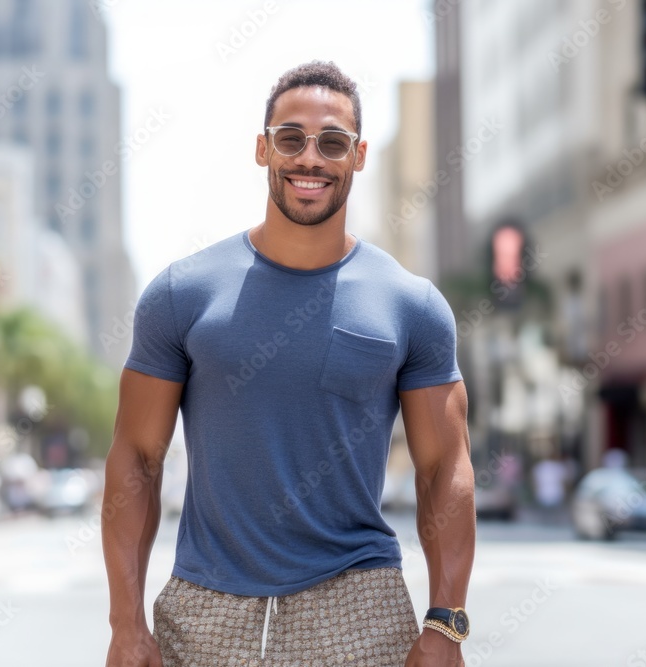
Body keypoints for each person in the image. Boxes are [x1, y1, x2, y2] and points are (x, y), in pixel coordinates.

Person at [102, 61, 476, 667]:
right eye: (290, 137)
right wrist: (125, 622)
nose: (310, 158)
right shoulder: (182, 294)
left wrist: (446, 623)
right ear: (263, 149)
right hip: (205, 611)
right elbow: (136, 458)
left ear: (356, 157)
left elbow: (444, 468)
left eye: (332, 142)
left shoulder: (412, 305)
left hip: (360, 608)